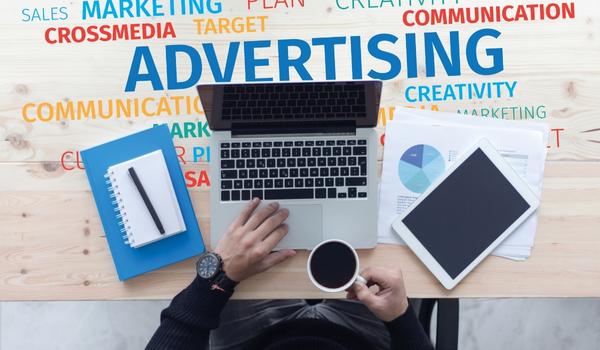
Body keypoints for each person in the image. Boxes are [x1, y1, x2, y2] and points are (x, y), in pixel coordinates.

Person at [147, 199, 434, 350]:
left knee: (235, 229)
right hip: (359, 338)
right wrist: (400, 317)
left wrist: (218, 275)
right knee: (379, 223)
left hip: (255, 339)